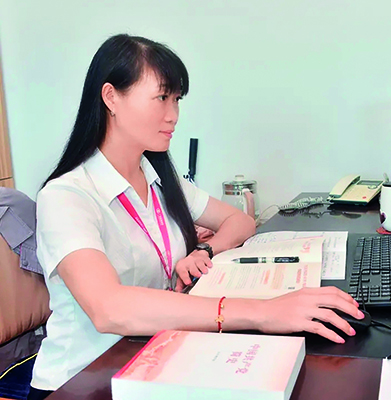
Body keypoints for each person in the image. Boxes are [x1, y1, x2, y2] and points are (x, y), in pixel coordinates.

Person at [28, 34, 363, 399]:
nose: (173, 115)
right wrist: (261, 312)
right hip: (82, 382)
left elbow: (240, 222)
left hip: (156, 359)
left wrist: (205, 250)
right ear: (111, 97)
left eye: (176, 100)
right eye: (161, 98)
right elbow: (108, 309)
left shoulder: (159, 179)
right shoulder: (66, 196)